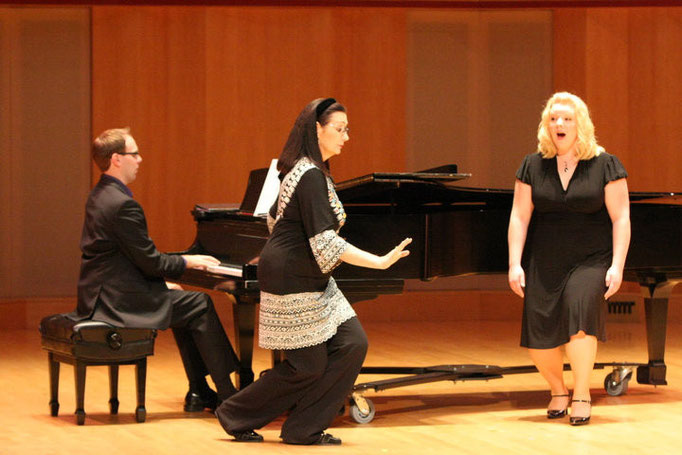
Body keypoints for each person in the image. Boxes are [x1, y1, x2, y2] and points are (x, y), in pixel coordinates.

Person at [215, 98, 412, 445]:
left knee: (352, 344)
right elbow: (326, 243)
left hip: (306, 274)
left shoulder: (307, 170)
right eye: (339, 129)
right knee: (307, 366)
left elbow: (274, 216)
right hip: (293, 277)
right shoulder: (308, 175)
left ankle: (302, 426)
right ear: (316, 130)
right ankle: (236, 414)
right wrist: (380, 261)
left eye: (348, 130)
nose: (346, 137)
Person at [71, 127, 240, 412]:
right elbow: (151, 262)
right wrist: (189, 261)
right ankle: (228, 394)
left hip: (102, 294)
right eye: (133, 153)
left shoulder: (99, 195)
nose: (140, 159)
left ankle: (200, 391)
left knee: (183, 304)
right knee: (199, 304)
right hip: (119, 301)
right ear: (116, 159)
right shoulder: (123, 205)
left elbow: (127, 258)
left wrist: (159, 284)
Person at [508, 92, 630, 426]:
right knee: (539, 336)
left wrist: (617, 265)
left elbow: (621, 218)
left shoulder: (606, 165)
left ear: (581, 125)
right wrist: (514, 263)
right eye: (553, 119)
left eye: (567, 119)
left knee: (579, 317)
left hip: (592, 259)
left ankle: (581, 393)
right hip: (545, 259)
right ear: (545, 126)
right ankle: (558, 389)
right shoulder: (532, 165)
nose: (559, 124)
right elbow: (519, 216)